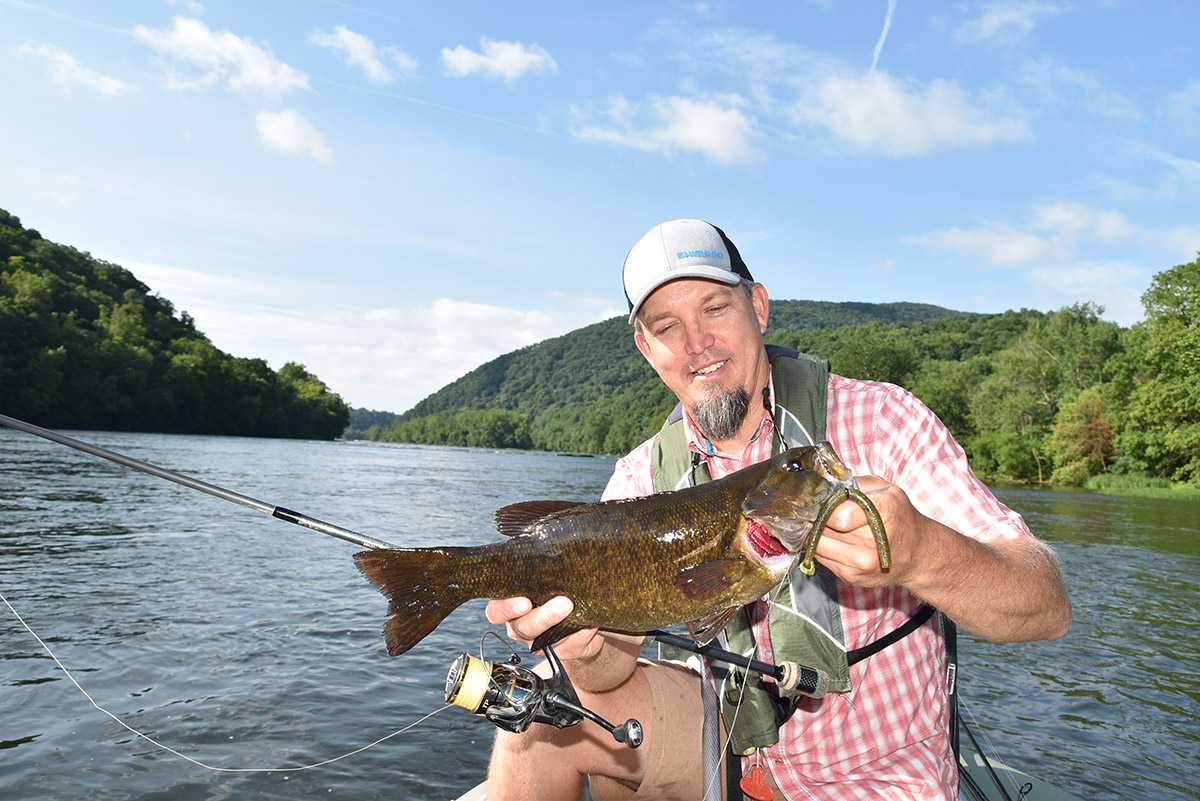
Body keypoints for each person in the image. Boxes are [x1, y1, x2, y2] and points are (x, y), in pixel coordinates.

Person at [485, 219, 1072, 800]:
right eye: (667, 326)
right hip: (726, 743)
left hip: (876, 772)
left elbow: (1045, 607)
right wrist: (584, 653)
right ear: (647, 348)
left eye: (715, 308)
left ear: (758, 307)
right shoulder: (640, 478)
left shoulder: (884, 423)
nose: (697, 343)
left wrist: (922, 554)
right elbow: (609, 673)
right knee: (539, 710)